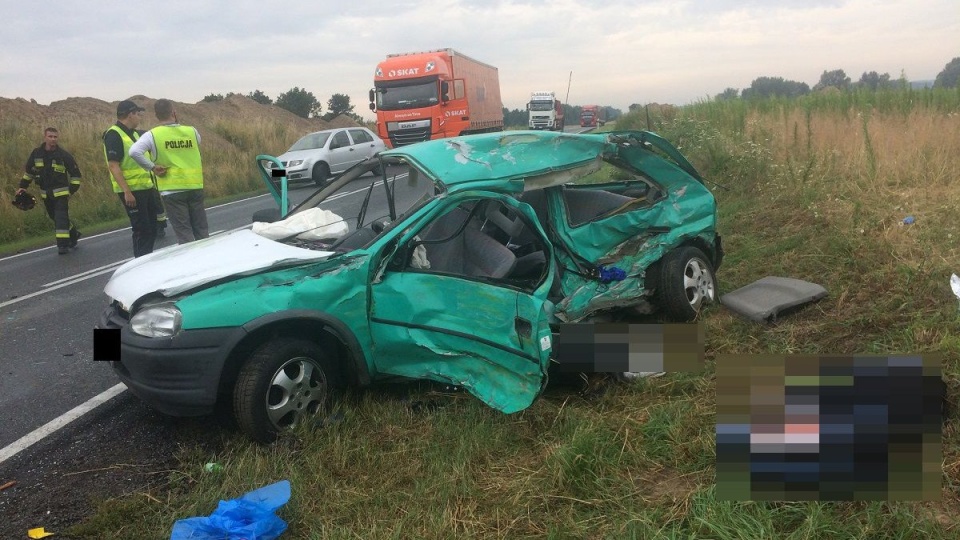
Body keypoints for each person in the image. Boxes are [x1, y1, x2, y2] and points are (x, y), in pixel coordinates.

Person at [129, 98, 209, 244]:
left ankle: (193, 263)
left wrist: (152, 167)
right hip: (194, 186)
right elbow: (196, 145)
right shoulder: (192, 131)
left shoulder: (152, 135)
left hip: (172, 190)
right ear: (174, 112)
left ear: (157, 115)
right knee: (201, 231)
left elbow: (134, 152)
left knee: (184, 234)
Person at [103, 100, 163, 257]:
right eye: (138, 114)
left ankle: (147, 259)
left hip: (146, 188)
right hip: (132, 191)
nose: (140, 118)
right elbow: (113, 166)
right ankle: (140, 264)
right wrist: (126, 192)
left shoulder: (136, 134)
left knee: (152, 227)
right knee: (141, 230)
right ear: (130, 114)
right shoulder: (114, 135)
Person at [17, 127, 82, 255]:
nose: (53, 139)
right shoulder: (36, 154)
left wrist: (71, 191)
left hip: (62, 194)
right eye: (50, 136)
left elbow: (76, 175)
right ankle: (73, 234)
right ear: (45, 137)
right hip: (45, 194)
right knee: (56, 218)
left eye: (55, 137)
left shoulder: (64, 155)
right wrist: (22, 186)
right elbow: (29, 172)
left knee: (60, 218)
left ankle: (62, 246)